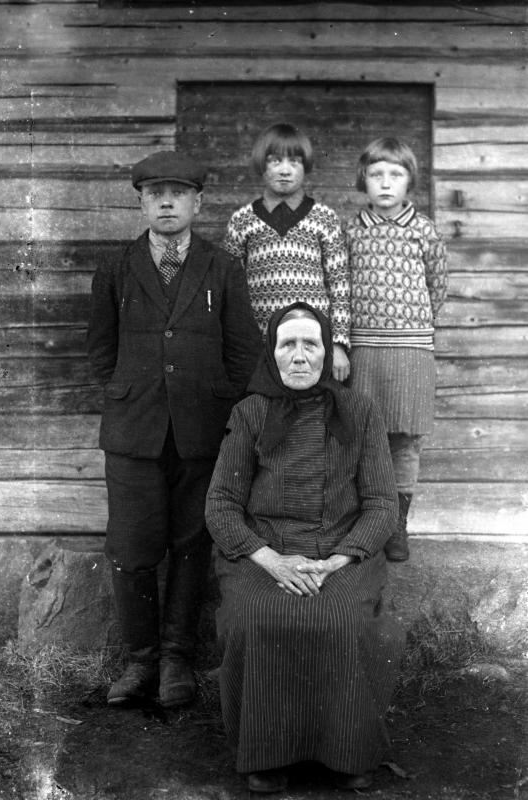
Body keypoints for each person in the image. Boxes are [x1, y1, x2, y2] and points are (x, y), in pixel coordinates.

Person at [205, 302, 405, 794]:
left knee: (344, 619)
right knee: (257, 617)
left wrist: (338, 559)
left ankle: (348, 752)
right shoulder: (250, 413)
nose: (299, 356)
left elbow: (382, 503)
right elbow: (221, 503)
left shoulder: (360, 411)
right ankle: (266, 754)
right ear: (272, 354)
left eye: (310, 344)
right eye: (287, 344)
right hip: (264, 551)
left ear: (327, 351)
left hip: (343, 550)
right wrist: (272, 561)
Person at [87, 150, 261, 709]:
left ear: (198, 202)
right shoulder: (116, 268)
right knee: (132, 546)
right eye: (155, 193)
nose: (166, 202)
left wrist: (218, 404)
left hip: (200, 432)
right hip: (133, 433)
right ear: (141, 202)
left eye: (178, 193)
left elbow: (244, 350)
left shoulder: (222, 267)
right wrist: (128, 393)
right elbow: (100, 349)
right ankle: (140, 660)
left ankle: (176, 659)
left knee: (191, 543)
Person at [346, 137, 448, 562]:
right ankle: (368, 523)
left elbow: (437, 286)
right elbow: (342, 288)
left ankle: (396, 526)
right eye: (376, 174)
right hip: (365, 352)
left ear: (410, 181)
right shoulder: (352, 230)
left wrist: (411, 329)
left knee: (405, 443)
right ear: (363, 180)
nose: (385, 183)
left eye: (395, 174)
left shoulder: (424, 231)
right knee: (364, 439)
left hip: (411, 353)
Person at [223, 122, 351, 382]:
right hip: (261, 347)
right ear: (262, 165)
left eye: (294, 162)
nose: (284, 170)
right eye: (275, 161)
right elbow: (231, 290)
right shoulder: (242, 220)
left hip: (313, 345)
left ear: (305, 166)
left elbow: (339, 285)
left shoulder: (324, 218)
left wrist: (338, 344)